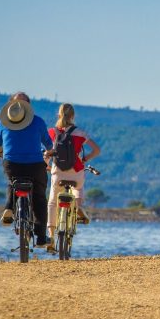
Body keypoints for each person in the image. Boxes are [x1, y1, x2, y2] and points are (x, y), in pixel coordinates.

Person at [0, 92, 54, 248]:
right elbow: (48, 143)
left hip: (12, 163)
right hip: (35, 165)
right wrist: (50, 150)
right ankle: (40, 237)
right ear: (29, 107)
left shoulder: (3, 122)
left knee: (12, 182)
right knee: (39, 197)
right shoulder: (38, 121)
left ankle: (8, 208)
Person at [46, 103, 101, 245]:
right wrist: (84, 159)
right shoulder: (80, 133)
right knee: (78, 188)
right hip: (76, 172)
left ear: (58, 115)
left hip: (57, 173)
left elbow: (47, 153)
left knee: (52, 202)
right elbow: (96, 150)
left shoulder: (51, 132)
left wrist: (47, 165)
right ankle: (78, 206)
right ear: (73, 116)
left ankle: (51, 236)